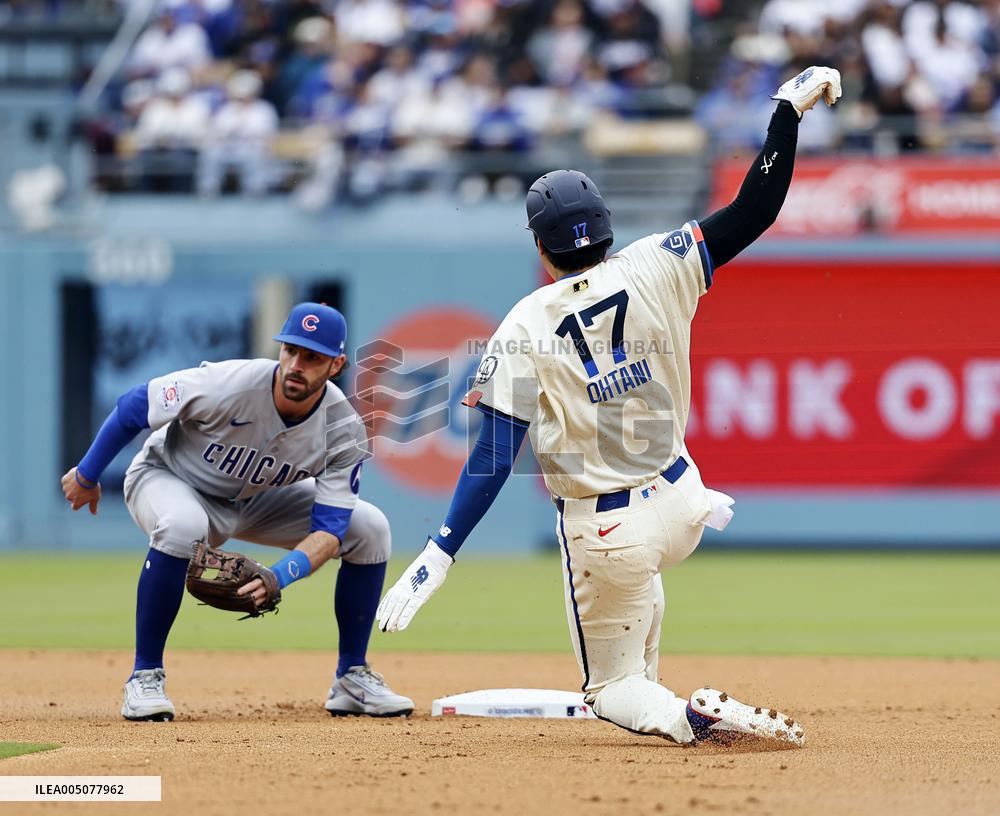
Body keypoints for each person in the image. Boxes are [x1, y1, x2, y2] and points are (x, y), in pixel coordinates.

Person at [377, 67, 843, 745]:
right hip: (685, 500)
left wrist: (441, 551)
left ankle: (690, 719)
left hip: (609, 531)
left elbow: (496, 452)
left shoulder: (524, 323)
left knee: (610, 691)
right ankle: (658, 699)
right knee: (636, 633)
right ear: (606, 226)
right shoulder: (658, 261)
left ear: (540, 246)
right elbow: (757, 209)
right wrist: (783, 117)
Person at [61, 303, 413, 722]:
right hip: (170, 477)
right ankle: (145, 676)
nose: (297, 365)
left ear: (336, 364)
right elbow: (136, 405)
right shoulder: (228, 383)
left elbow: (331, 530)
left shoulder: (344, 430)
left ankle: (351, 677)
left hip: (257, 499)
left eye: (313, 357)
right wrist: (87, 474)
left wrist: (278, 576)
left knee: (369, 528)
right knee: (183, 525)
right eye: (291, 350)